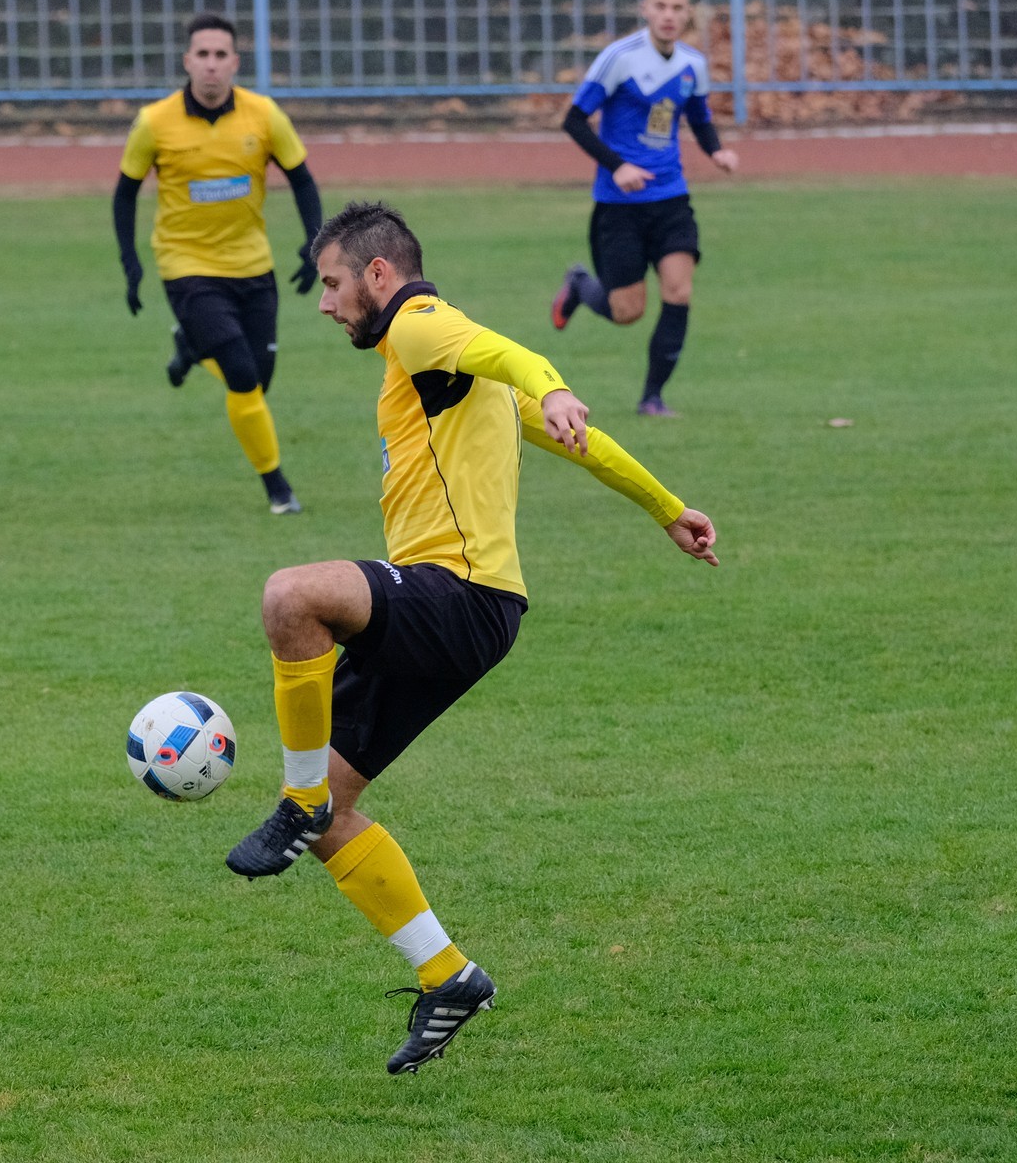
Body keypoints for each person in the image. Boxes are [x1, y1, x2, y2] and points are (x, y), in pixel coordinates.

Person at [225, 201, 719, 1073]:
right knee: (338, 818)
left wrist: (552, 383)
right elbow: (583, 442)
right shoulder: (441, 369)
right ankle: (448, 976)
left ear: (379, 274)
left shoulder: (420, 326)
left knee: (290, 597)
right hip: (470, 613)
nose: (326, 303)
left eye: (333, 283)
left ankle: (297, 801)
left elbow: (512, 355)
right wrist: (668, 509)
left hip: (456, 595)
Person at [112, 12, 324, 514]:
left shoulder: (264, 115)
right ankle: (278, 489)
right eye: (202, 54)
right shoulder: (154, 122)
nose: (211, 64)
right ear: (187, 61)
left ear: (235, 62)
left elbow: (303, 181)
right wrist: (131, 261)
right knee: (242, 376)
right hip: (186, 265)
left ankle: (190, 347)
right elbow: (124, 194)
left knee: (256, 382)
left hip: (252, 264)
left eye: (220, 55)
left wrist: (314, 244)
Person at [547, 0, 738, 417]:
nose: (669, 16)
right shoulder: (619, 58)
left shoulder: (692, 64)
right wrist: (618, 166)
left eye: (678, 8)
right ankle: (579, 284)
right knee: (627, 311)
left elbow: (699, 116)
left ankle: (652, 398)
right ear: (645, 10)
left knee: (679, 290)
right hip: (620, 207)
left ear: (688, 13)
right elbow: (574, 120)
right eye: (661, 7)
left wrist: (716, 150)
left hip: (671, 198)